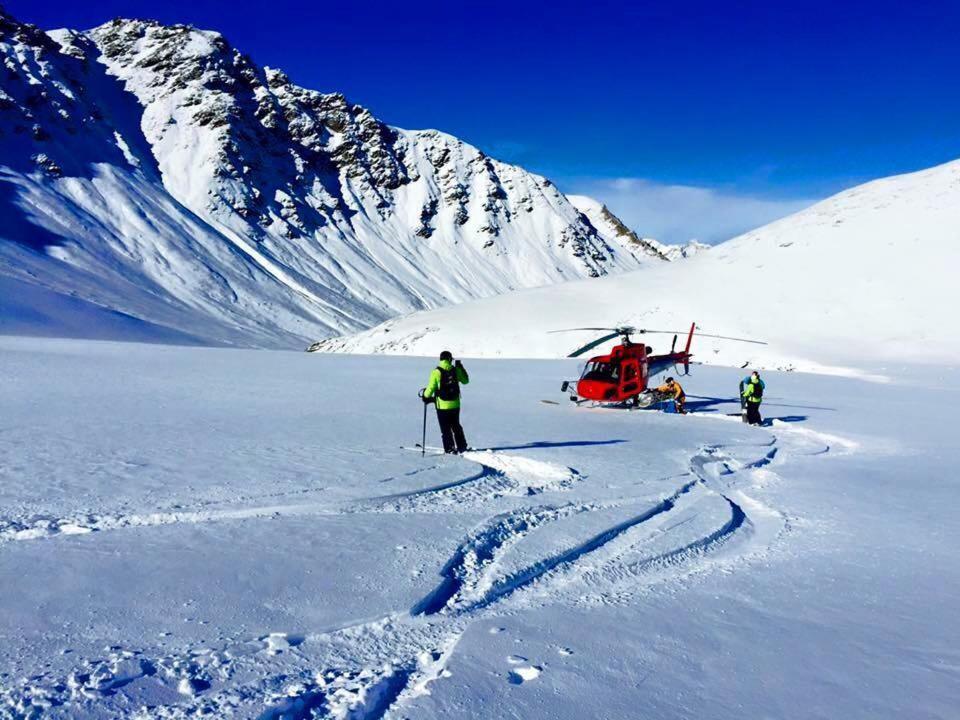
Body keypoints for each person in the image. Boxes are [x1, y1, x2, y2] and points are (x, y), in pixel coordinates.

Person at [422, 350, 470, 454]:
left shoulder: (436, 372)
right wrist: (461, 368)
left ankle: (450, 448)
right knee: (456, 425)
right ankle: (462, 446)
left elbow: (431, 389)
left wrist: (425, 396)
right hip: (455, 404)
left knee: (445, 429)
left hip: (442, 406)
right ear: (449, 359)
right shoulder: (455, 370)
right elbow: (466, 381)